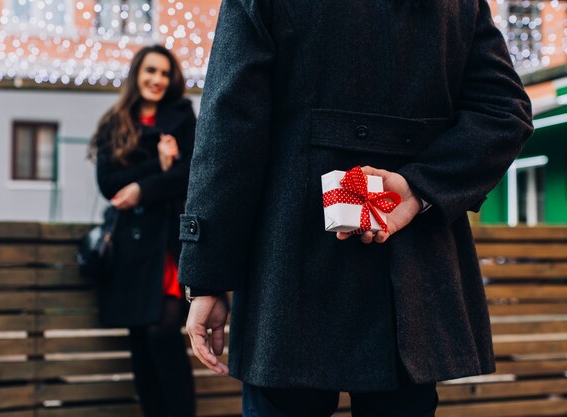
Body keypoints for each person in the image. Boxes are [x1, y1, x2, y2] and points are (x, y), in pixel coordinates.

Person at [178, 0, 534, 416]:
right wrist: (419, 186)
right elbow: (504, 113)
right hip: (410, 274)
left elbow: (230, 129)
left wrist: (206, 276)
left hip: (288, 273)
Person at [90, 44, 196, 417]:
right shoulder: (115, 122)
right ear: (137, 73)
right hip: (129, 248)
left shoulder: (182, 117)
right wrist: (157, 168)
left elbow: (191, 176)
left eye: (165, 73)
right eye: (151, 71)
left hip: (167, 243)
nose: (157, 80)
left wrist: (148, 186)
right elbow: (109, 185)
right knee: (139, 337)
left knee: (163, 331)